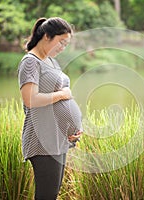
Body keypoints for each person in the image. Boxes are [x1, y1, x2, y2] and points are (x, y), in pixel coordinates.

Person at [17, 17, 83, 199]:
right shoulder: (30, 62)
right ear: (47, 36)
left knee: (52, 194)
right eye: (61, 42)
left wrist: (73, 129)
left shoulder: (51, 61)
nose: (63, 47)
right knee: (46, 195)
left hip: (58, 139)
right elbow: (31, 99)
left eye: (66, 44)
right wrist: (63, 95)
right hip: (42, 140)